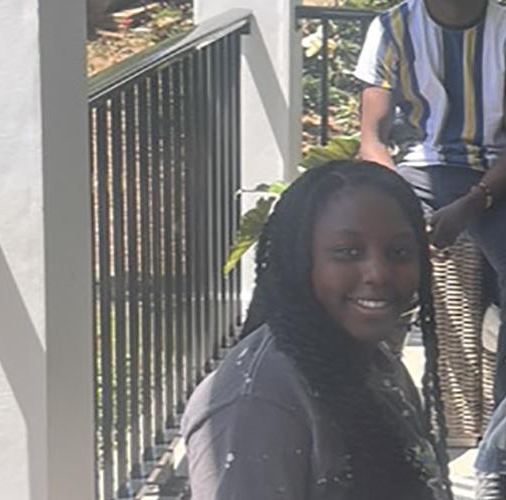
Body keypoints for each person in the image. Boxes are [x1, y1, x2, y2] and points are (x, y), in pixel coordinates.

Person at [180, 161, 450, 499]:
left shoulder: (372, 361)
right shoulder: (258, 404)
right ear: (300, 261)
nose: (378, 273)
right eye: (347, 253)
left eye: (399, 253)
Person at [353, 0, 506, 406]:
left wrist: (470, 204)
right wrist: (398, 205)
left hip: (494, 177)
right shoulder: (391, 27)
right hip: (414, 172)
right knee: (364, 261)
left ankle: (505, 422)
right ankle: (369, 399)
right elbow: (371, 140)